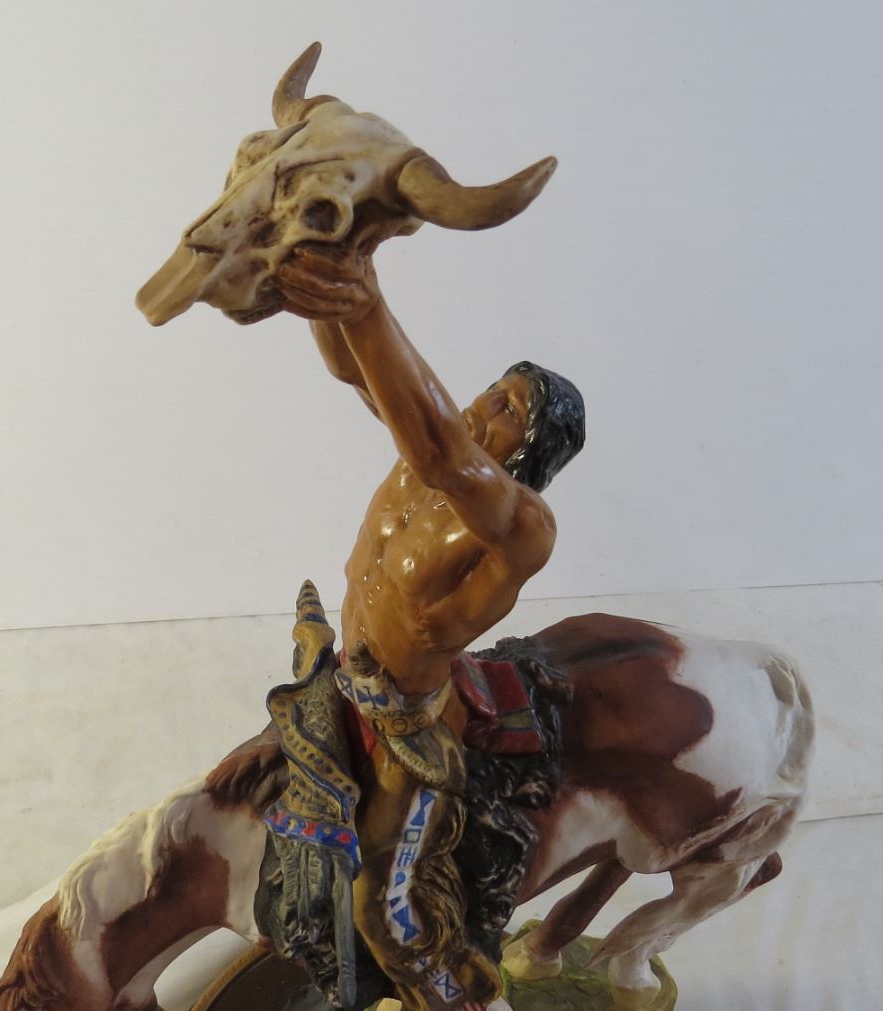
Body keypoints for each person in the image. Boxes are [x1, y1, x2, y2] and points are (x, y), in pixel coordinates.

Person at [272, 244, 585, 1011]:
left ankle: (455, 998)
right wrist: (328, 276)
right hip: (344, 674)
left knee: (385, 909)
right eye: (492, 391)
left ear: (532, 448)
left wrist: (366, 299)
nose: (484, 407)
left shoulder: (519, 526)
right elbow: (352, 368)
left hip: (407, 724)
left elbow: (444, 451)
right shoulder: (420, 458)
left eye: (510, 410)